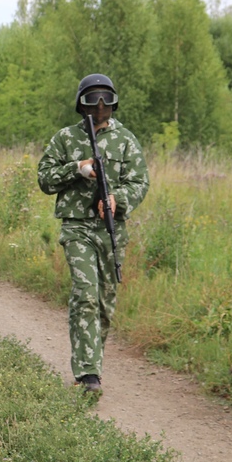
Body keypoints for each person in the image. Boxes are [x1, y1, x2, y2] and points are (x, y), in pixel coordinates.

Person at [36, 74, 149, 395]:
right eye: (92, 98)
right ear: (81, 102)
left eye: (105, 99)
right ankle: (88, 374)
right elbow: (44, 179)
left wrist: (118, 200)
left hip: (112, 229)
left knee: (104, 302)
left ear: (113, 102)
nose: (100, 106)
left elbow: (140, 182)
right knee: (85, 293)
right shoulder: (65, 139)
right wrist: (77, 168)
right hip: (76, 227)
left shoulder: (126, 140)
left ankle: (91, 360)